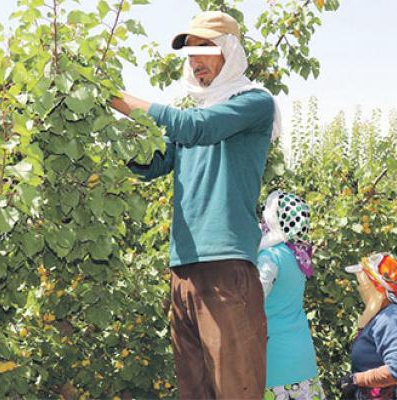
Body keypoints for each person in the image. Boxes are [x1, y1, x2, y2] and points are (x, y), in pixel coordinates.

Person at [110, 10, 282, 399]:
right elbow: (150, 164)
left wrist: (114, 98)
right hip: (183, 271)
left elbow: (196, 129)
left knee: (236, 391)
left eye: (204, 50)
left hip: (226, 268)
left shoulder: (254, 103)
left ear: (229, 51)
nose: (195, 62)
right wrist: (115, 134)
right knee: (195, 392)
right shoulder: (195, 113)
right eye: (190, 54)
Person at [256, 190, 325, 400]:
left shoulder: (270, 257)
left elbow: (255, 297)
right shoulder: (297, 255)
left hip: (275, 356)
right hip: (301, 351)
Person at [338, 253, 397, 400]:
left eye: (364, 284)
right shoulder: (381, 315)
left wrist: (355, 380)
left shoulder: (392, 319)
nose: (360, 289)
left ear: (378, 287)